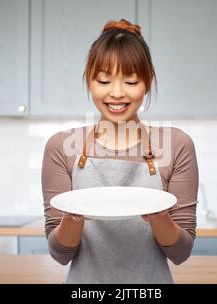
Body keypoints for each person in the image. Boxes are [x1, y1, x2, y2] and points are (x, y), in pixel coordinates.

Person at [42, 18, 199, 284]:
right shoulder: (61, 147)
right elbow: (60, 254)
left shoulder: (177, 145)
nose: (116, 93)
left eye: (131, 81)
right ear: (89, 81)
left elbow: (181, 252)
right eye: (103, 81)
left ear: (148, 82)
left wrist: (158, 215)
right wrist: (73, 218)